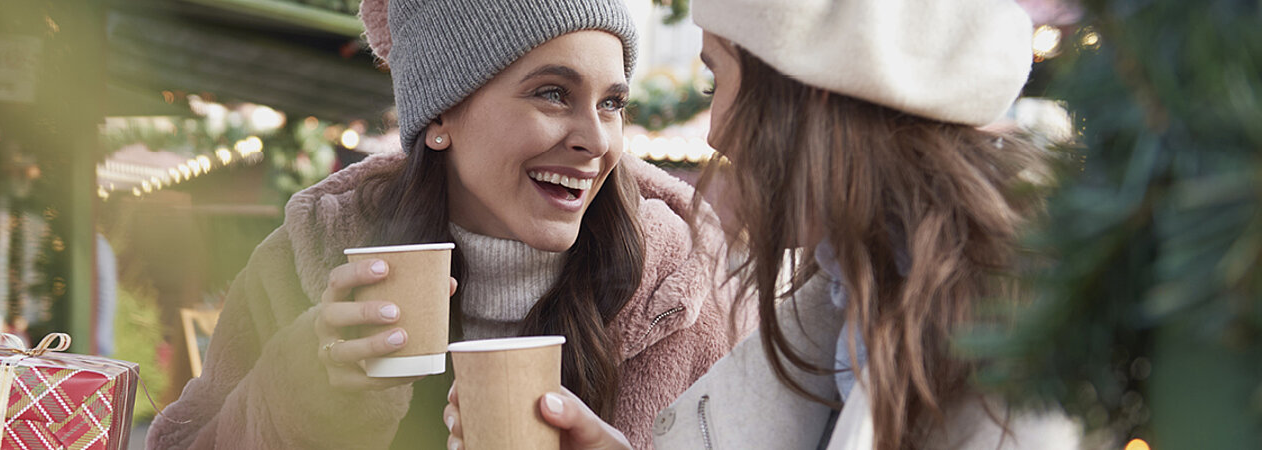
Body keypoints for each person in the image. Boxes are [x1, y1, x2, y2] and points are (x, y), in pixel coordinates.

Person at [443, 1, 1084, 449]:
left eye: (718, 76)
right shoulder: (848, 303)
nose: (717, 127)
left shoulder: (1016, 340)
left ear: (813, 90)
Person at [146, 1, 738, 448]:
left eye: (612, 103)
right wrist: (299, 393)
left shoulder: (685, 294)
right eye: (553, 93)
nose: (595, 139)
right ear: (441, 115)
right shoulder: (305, 260)